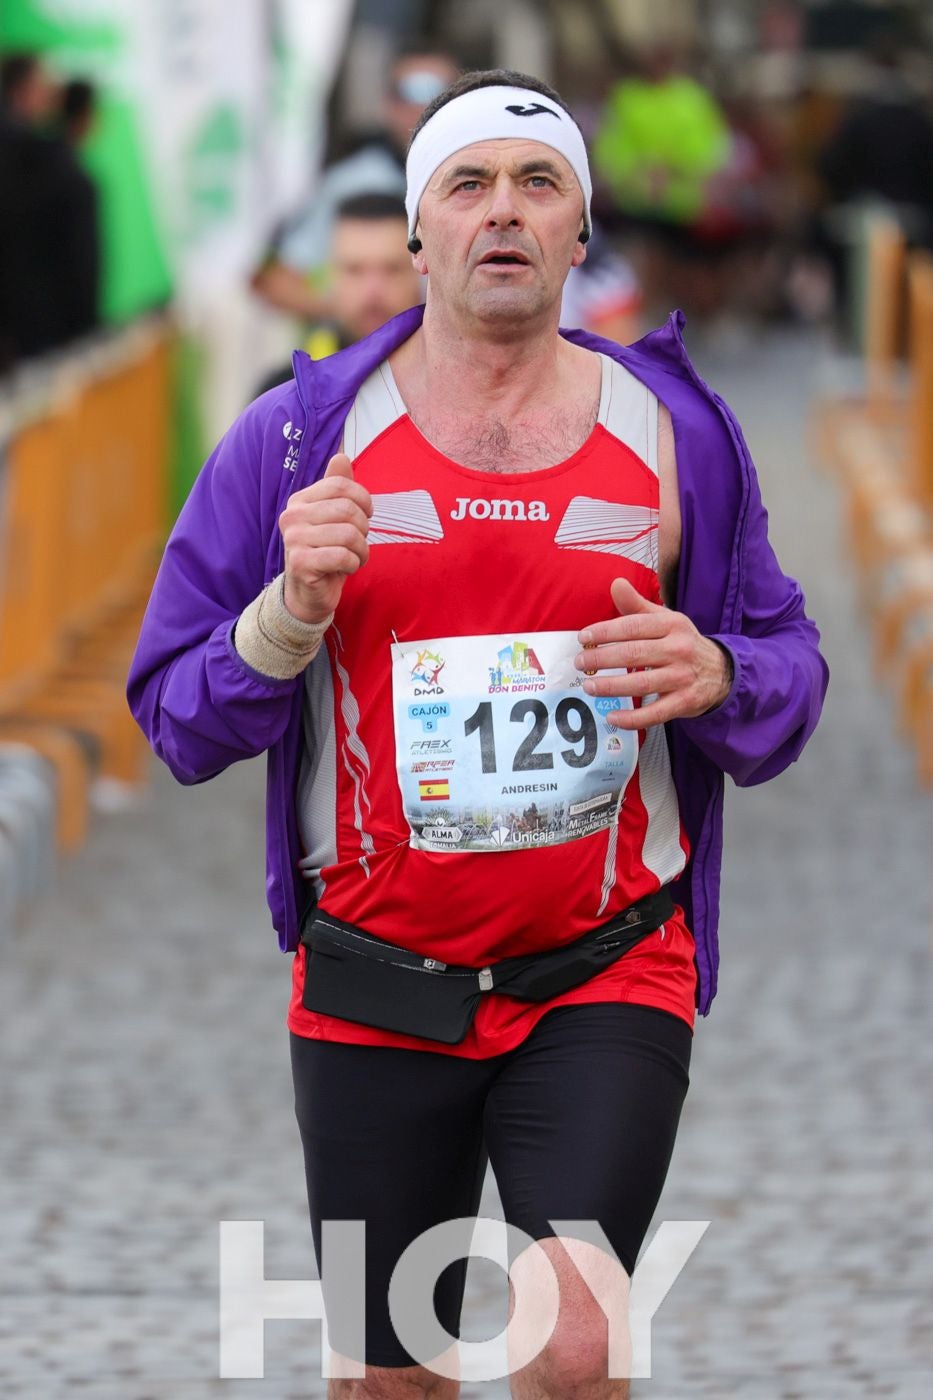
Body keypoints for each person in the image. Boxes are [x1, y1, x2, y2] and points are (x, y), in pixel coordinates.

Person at [128, 68, 828, 1395]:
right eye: (467, 184)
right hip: (376, 980)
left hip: (606, 963)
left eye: (538, 183)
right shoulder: (295, 446)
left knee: (570, 1343)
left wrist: (718, 670)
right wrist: (284, 615)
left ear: (579, 235)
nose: (502, 212)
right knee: (391, 1375)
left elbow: (789, 677)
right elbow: (175, 718)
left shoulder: (678, 436)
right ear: (415, 230)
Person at [251, 46, 457, 325]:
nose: (425, 106)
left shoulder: (489, 181)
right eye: (410, 91)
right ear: (387, 103)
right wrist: (363, 310)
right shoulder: (354, 180)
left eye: (440, 93)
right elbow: (277, 279)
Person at [254, 191, 424, 394]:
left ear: (421, 272)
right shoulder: (284, 395)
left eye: (392, 269)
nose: (373, 291)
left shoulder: (454, 387)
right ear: (329, 276)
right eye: (355, 270)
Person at [0, 54, 99, 370]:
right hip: (33, 330)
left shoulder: (34, 156)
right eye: (42, 87)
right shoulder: (36, 163)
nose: (49, 96)